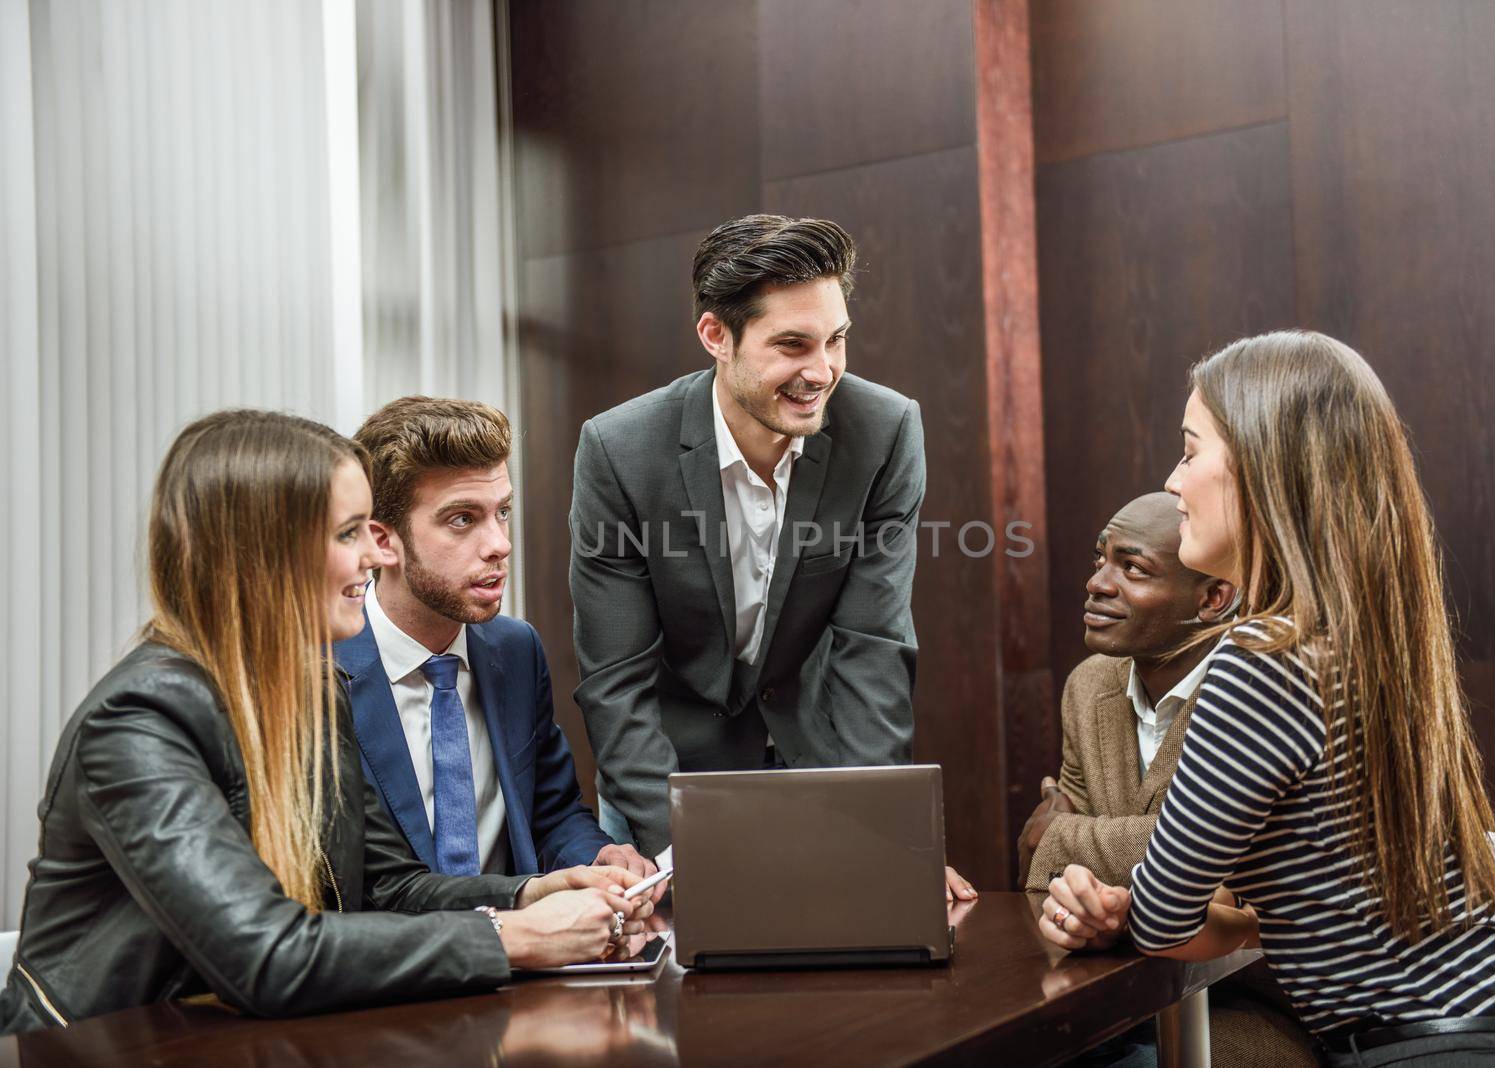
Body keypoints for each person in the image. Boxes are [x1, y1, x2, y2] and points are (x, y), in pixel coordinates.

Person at [1039, 332, 1495, 1065]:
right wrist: (1234, 924)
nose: (1173, 483)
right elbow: (1338, 900)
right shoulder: (1372, 645)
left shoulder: (1261, 658)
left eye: (1190, 451)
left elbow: (1167, 917)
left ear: (1261, 471)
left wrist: (1123, 906)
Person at [0, 410, 650, 1035]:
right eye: (348, 534)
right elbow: (265, 952)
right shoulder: (139, 720)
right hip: (109, 1047)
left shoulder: (310, 690)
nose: (374, 555)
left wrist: (531, 893)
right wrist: (512, 936)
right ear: (262, 555)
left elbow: (389, 886)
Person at [568, 213, 973, 901]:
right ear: (715, 336)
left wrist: (879, 838)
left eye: (836, 340)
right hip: (666, 782)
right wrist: (680, 854)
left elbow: (872, 650)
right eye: (792, 345)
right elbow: (616, 680)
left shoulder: (884, 432)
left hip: (821, 771)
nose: (822, 372)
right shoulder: (620, 451)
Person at [1017, 491, 1315, 1067]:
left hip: (1255, 1002)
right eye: (1100, 560)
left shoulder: (1260, 684)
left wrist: (1064, 836)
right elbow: (1041, 875)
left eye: (1132, 569)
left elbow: (1233, 871)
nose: (1098, 583)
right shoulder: (1088, 685)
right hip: (1116, 988)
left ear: (1212, 600)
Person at [334, 397, 656, 889]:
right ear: (383, 542)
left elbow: (550, 814)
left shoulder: (514, 649)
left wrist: (597, 860)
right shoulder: (318, 673)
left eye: (502, 512)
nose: (500, 544)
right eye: (462, 519)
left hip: (530, 958)